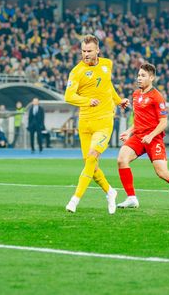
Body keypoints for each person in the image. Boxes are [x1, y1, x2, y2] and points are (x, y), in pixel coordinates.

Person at [116, 63, 169, 212]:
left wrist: (151, 135)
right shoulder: (136, 95)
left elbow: (163, 122)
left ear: (151, 78)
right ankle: (131, 198)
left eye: (143, 76)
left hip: (154, 139)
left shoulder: (157, 97)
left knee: (162, 172)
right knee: (122, 159)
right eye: (138, 75)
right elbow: (139, 119)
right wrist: (129, 131)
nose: (139, 78)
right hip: (139, 137)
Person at [64, 35, 129, 214]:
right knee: (91, 166)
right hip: (84, 123)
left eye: (89, 51)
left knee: (92, 156)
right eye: (83, 51)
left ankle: (74, 200)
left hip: (104, 121)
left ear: (97, 50)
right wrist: (86, 101)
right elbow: (69, 96)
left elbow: (108, 86)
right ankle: (110, 191)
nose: (86, 54)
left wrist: (118, 101)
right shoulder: (76, 72)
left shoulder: (107, 64)